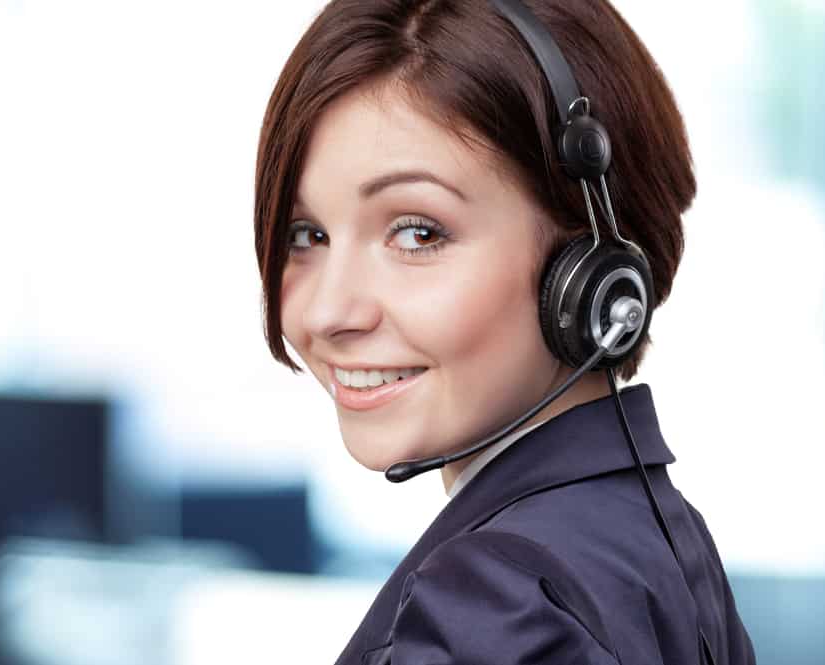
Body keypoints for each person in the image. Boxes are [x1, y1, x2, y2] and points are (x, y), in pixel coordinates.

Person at [253, 1, 757, 663]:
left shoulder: (500, 601)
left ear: (586, 271)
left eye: (417, 232)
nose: (327, 311)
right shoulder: (651, 531)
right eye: (306, 235)